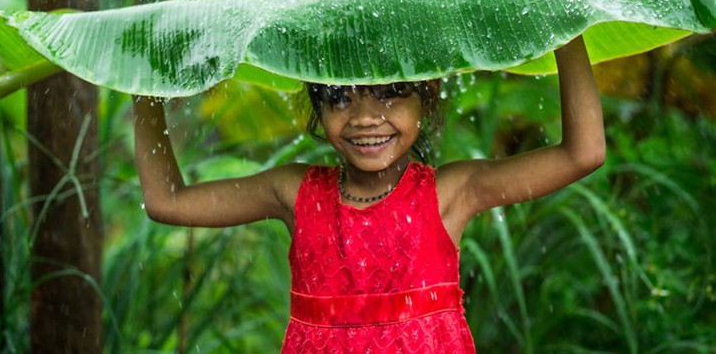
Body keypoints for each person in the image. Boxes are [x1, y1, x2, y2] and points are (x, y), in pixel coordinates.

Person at [133, 35, 605, 353]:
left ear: (428, 95)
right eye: (340, 97)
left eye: (392, 92)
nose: (363, 116)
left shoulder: (450, 193)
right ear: (317, 105)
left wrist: (567, 36)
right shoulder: (293, 192)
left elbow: (583, 153)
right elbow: (167, 201)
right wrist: (142, 89)